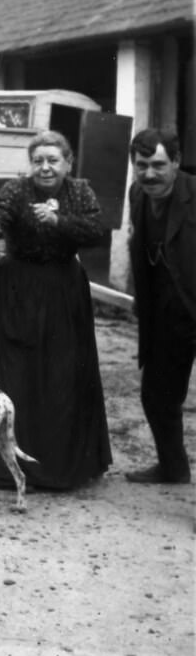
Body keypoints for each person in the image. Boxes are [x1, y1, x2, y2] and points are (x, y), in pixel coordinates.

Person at [0, 130, 111, 489]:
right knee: (10, 372)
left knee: (61, 375)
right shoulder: (17, 189)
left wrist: (60, 222)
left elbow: (96, 230)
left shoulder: (80, 192)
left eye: (52, 160)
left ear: (68, 163)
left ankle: (60, 466)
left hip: (63, 291)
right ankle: (1, 465)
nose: (45, 168)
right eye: (38, 161)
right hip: (16, 290)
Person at [124, 129, 193, 484]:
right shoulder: (137, 193)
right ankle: (173, 468)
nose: (149, 174)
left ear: (177, 163)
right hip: (166, 317)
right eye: (142, 165)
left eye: (159, 165)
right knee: (157, 396)